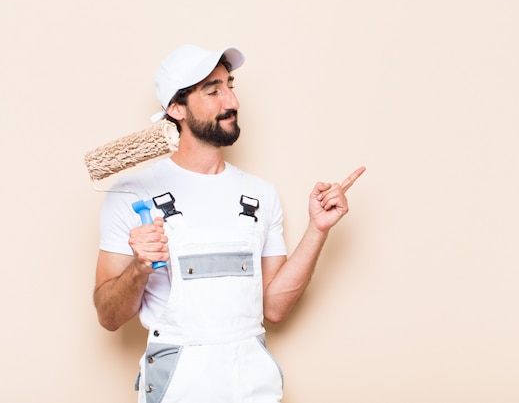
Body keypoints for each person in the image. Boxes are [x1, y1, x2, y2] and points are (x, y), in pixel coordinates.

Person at [93, 43, 365, 403]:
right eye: (213, 91)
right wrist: (139, 269)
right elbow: (108, 317)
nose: (232, 102)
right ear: (176, 108)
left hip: (253, 388)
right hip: (177, 388)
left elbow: (275, 308)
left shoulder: (259, 195)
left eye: (230, 86)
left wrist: (318, 229)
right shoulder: (132, 194)